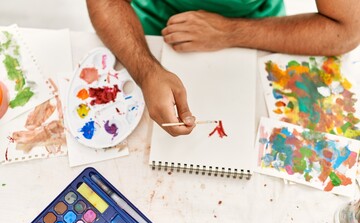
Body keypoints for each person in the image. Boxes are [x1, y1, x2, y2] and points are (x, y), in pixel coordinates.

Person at [86, 0, 360, 137]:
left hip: (259, 34)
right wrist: (145, 70)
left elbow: (347, 30)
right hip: (148, 33)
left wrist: (230, 32)